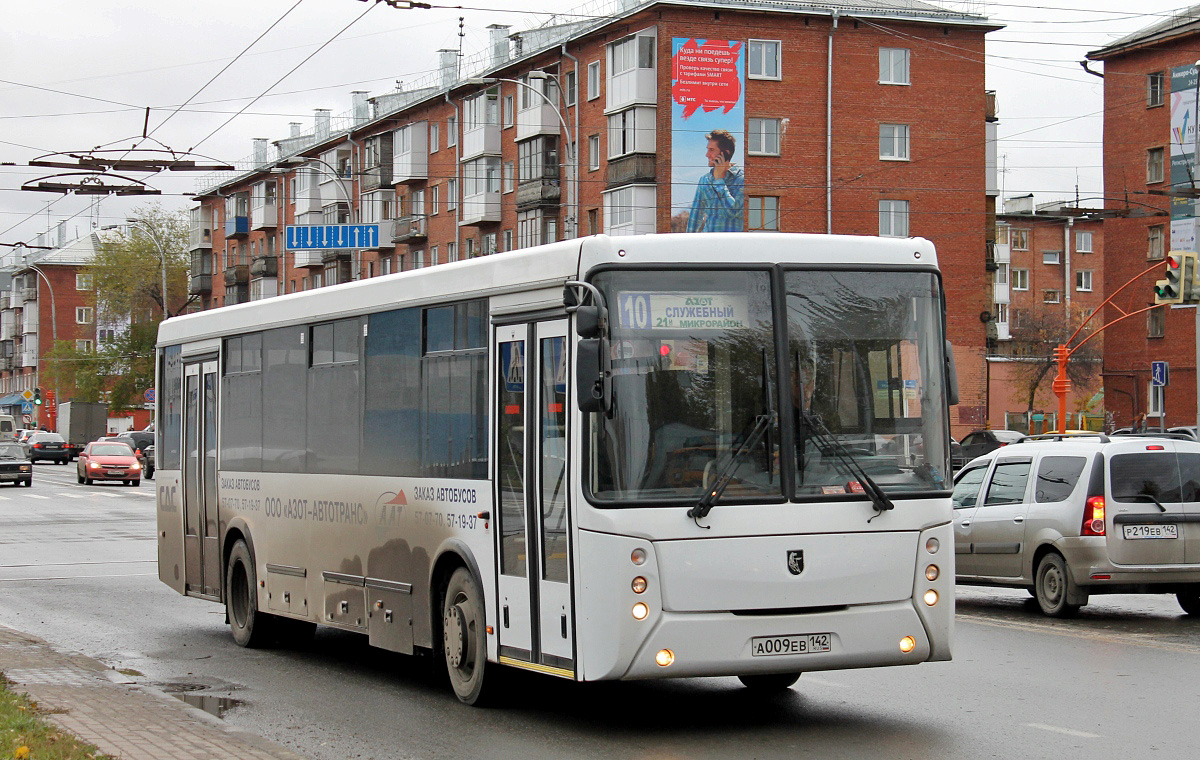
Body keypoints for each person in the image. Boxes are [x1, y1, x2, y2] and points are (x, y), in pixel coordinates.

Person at [686, 129, 745, 233]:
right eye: (707, 149)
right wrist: (687, 240)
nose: (707, 154)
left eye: (712, 150)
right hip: (708, 240)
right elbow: (695, 217)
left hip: (733, 241)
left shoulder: (742, 179)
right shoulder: (705, 180)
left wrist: (719, 181)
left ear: (725, 153)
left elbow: (734, 212)